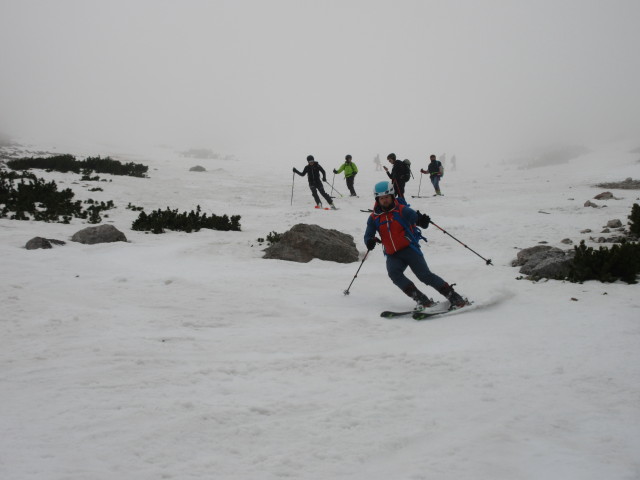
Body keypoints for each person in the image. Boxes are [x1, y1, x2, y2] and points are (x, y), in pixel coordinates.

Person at [363, 181, 467, 309]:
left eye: (387, 197)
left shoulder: (401, 210)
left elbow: (413, 217)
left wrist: (421, 221)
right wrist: (369, 241)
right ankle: (422, 300)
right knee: (394, 274)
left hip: (409, 249)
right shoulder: (374, 217)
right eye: (381, 198)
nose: (384, 201)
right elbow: (368, 234)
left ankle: (455, 297)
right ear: (377, 199)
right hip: (392, 254)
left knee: (424, 275)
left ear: (392, 196)